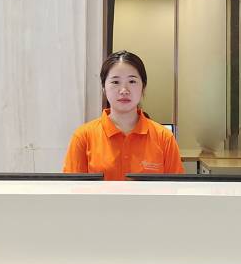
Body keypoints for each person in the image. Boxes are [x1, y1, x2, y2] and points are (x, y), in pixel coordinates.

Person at [63, 50, 184, 180]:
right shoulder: (83, 137)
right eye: (115, 82)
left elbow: (176, 189)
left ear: (143, 87)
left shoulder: (164, 138)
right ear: (103, 87)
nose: (124, 90)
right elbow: (71, 189)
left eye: (132, 81)